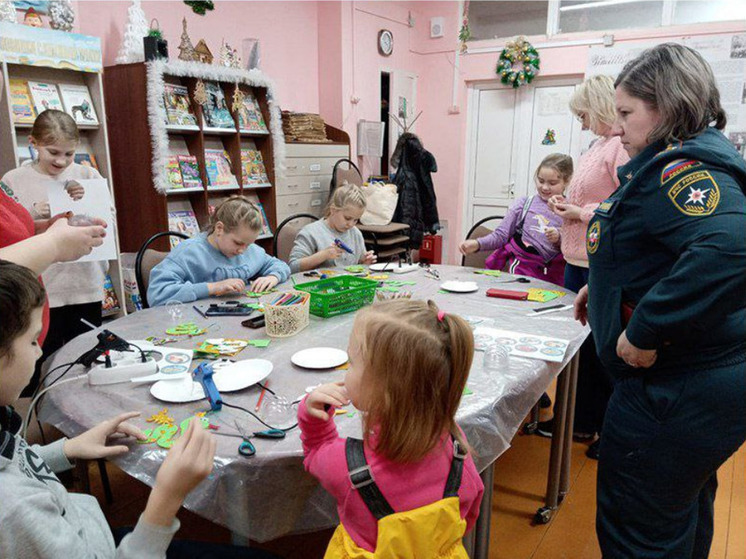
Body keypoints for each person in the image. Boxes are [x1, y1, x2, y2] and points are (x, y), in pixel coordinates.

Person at [574, 43, 746, 558]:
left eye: (626, 113)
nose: (615, 125)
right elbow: (664, 249)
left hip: (672, 389)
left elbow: (731, 248)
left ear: (667, 107)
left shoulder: (685, 171)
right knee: (678, 515)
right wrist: (607, 288)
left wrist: (646, 327)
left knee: (639, 532)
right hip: (701, 384)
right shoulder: (679, 160)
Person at [0, 259, 215, 558]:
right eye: (33, 340)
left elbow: (13, 465)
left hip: (85, 530)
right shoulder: (13, 510)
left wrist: (67, 449)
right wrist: (167, 497)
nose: (39, 351)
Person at [299, 299, 484, 556]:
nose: (346, 370)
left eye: (351, 362)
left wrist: (314, 418)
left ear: (384, 392)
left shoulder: (347, 466)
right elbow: (470, 512)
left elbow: (315, 452)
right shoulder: (457, 446)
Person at [540, 76, 630, 457]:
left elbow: (624, 206)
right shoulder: (597, 145)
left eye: (582, 114)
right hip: (576, 259)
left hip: (598, 264)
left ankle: (609, 431)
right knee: (583, 351)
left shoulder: (619, 149)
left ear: (599, 107)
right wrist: (568, 204)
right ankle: (580, 423)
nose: (581, 123)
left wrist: (580, 211)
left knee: (601, 352)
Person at [1, 109, 110, 392]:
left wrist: (85, 200)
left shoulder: (87, 173)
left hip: (85, 285)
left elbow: (105, 221)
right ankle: (35, 429)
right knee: (36, 368)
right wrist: (36, 212)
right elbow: (13, 232)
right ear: (33, 142)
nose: (61, 161)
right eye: (53, 152)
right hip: (42, 291)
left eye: (69, 154)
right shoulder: (14, 180)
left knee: (88, 364)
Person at [148, 195, 290, 307]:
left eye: (248, 244)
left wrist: (273, 277)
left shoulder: (249, 250)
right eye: (238, 243)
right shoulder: (189, 253)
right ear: (219, 229)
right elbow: (157, 293)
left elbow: (280, 265)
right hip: (196, 326)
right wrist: (213, 287)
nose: (242, 250)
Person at [459, 153, 572, 286]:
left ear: (567, 181)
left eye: (552, 183)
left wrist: (559, 238)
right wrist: (477, 244)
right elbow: (501, 235)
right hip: (522, 271)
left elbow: (573, 246)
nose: (545, 187)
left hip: (555, 275)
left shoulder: (570, 209)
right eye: (541, 181)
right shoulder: (524, 204)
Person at [288, 183, 376, 273]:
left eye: (356, 220)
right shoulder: (311, 233)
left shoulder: (355, 233)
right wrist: (323, 255)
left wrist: (364, 263)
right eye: (347, 218)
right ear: (333, 210)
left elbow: (357, 267)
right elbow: (293, 267)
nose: (351, 224)